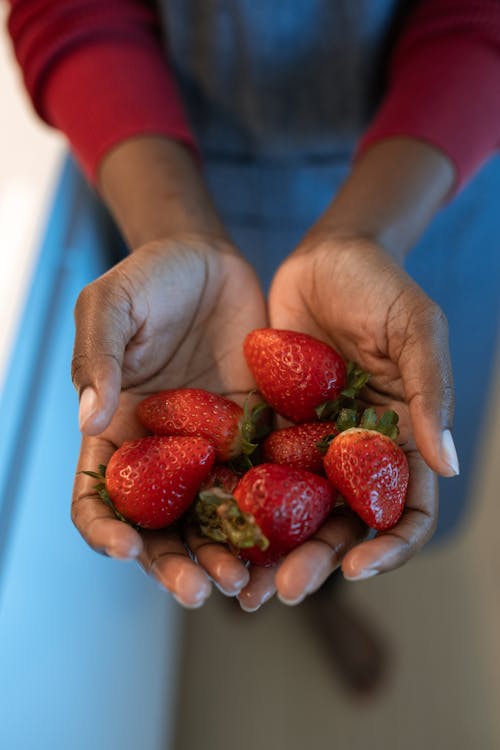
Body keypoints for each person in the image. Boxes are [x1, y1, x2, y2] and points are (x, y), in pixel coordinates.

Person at [6, 0, 500, 620]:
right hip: (164, 163)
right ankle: (248, 580)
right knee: (244, 532)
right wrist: (172, 233)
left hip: (427, 168)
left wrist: (367, 236)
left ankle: (321, 596)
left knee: (373, 471)